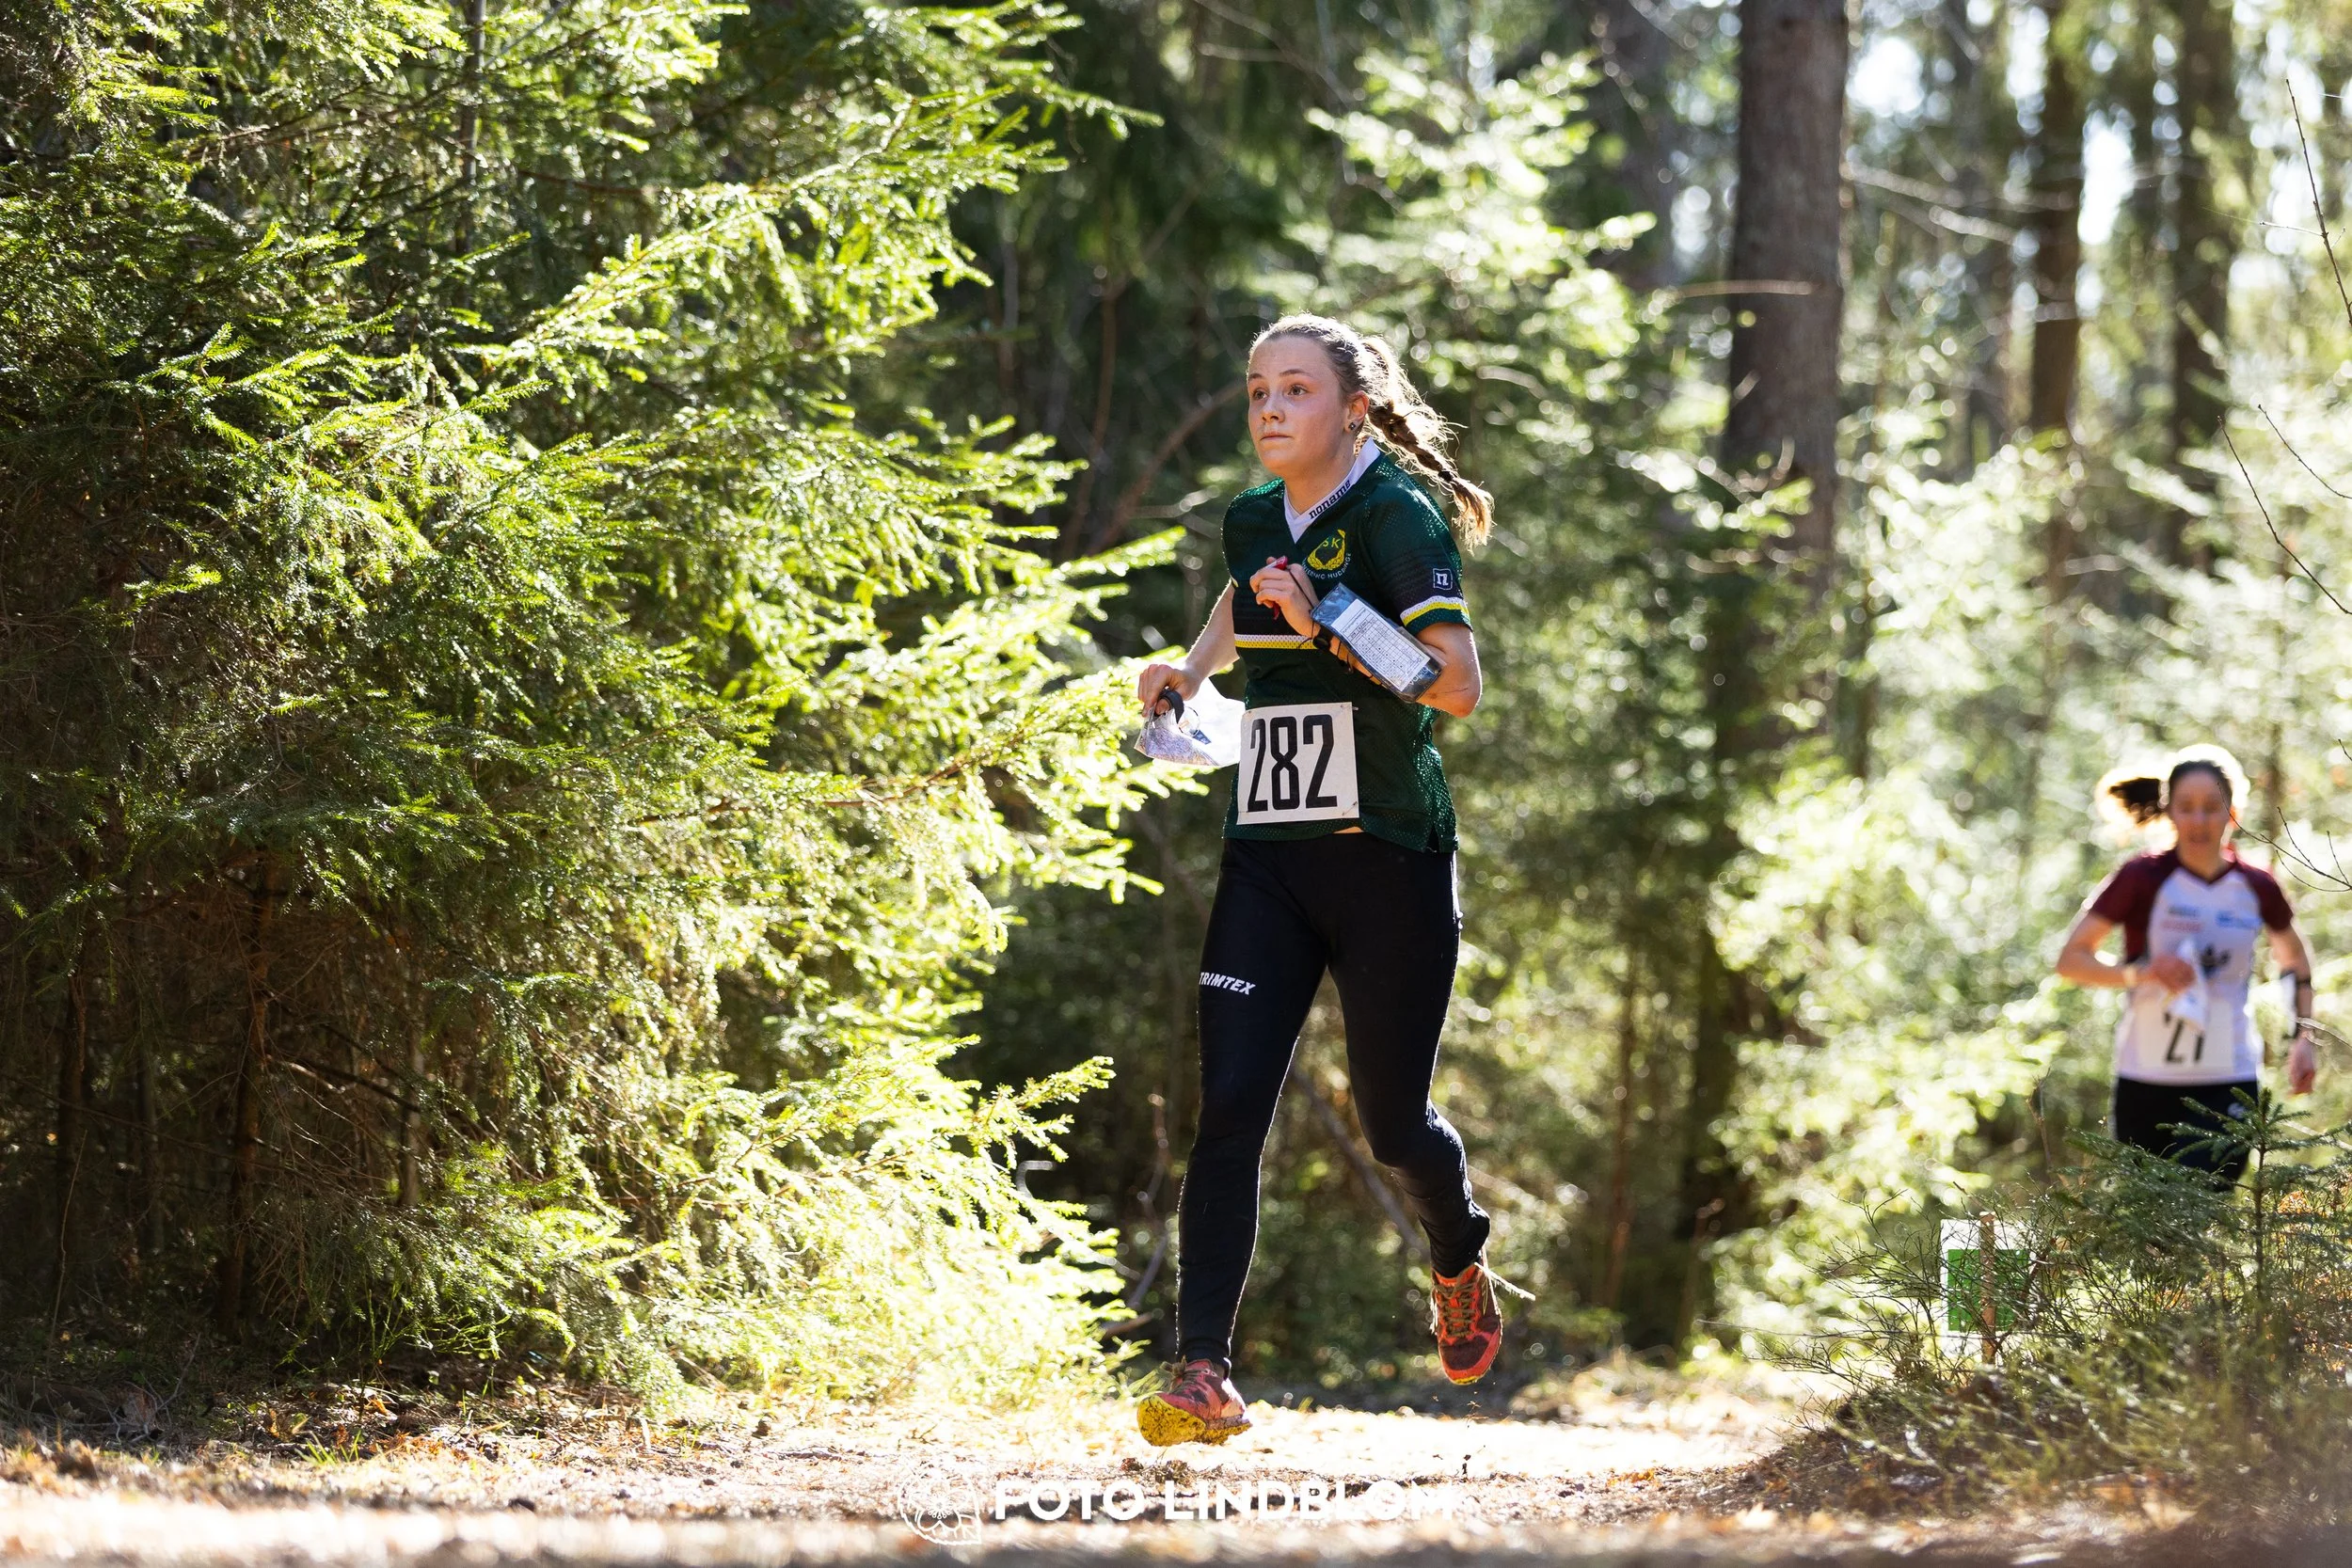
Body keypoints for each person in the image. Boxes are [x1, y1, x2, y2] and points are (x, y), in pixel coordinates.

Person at [1128, 314, 1501, 1448]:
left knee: (1394, 1126)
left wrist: (1327, 616)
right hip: (1270, 855)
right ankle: (1202, 1370)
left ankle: (1459, 1258)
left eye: (1295, 389)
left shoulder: (1397, 517)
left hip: (1387, 853)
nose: (1270, 408)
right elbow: (1247, 595)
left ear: (1352, 407)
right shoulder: (1252, 518)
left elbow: (1455, 687)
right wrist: (1186, 673)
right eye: (1256, 390)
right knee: (1229, 1108)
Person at [2054, 746, 2319, 1183]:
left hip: (2229, 1078)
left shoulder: (2257, 886)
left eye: (2212, 808)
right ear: (2170, 813)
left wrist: (2303, 1036)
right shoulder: (2142, 877)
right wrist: (2143, 971)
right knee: (2151, 1231)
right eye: (2187, 809)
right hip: (2145, 1078)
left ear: (2232, 814)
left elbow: (2295, 957)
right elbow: (2071, 960)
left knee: (2204, 1207)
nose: (2199, 821)